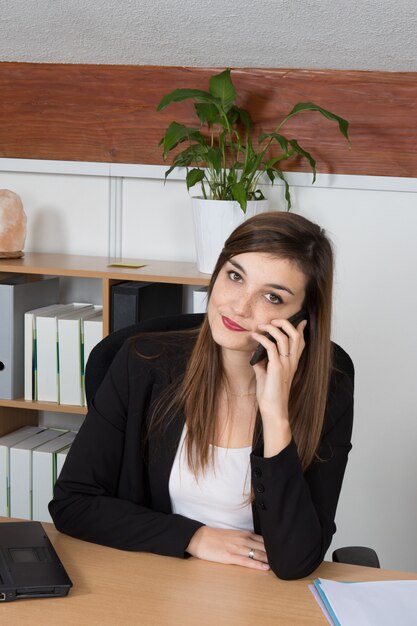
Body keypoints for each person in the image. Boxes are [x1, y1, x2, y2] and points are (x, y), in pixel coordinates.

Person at [49, 211, 354, 580]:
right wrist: (193, 537)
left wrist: (275, 413)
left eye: (272, 297)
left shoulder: (329, 383)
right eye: (235, 276)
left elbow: (294, 562)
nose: (240, 306)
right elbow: (73, 503)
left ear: (302, 318)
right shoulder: (144, 363)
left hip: (263, 595)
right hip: (155, 577)